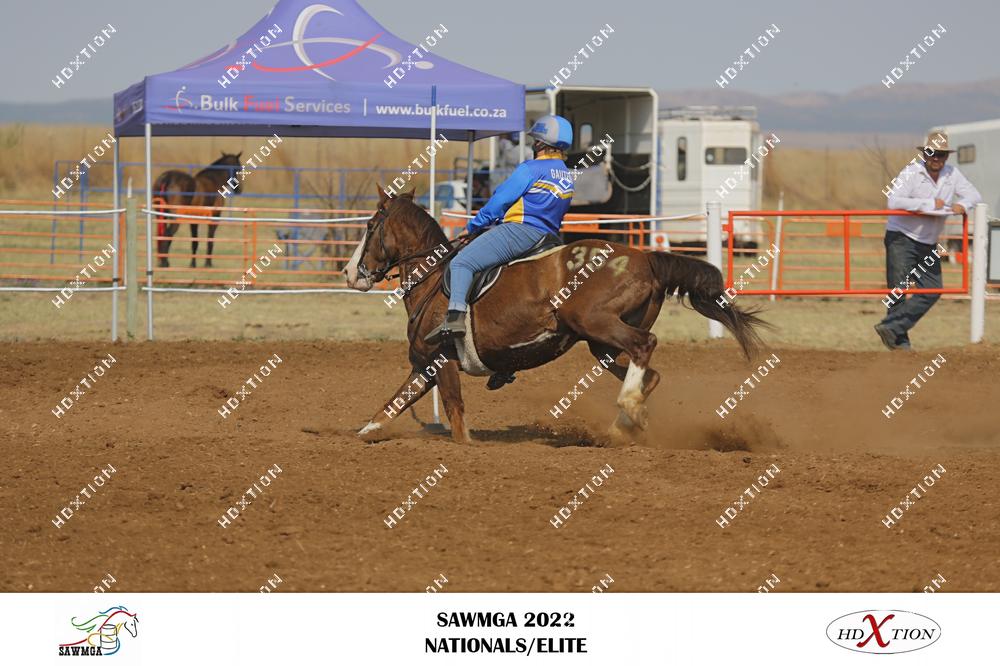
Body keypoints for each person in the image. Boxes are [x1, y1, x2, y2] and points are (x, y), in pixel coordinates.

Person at [424, 115, 575, 344]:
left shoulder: (531, 169)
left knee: (461, 262)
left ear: (540, 143)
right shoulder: (567, 175)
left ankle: (455, 317)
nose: (533, 145)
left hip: (520, 232)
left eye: (535, 141)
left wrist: (473, 226)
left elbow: (500, 201)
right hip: (550, 238)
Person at [874, 130, 981, 350]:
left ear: (947, 156)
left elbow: (974, 195)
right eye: (932, 153)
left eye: (941, 154)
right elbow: (893, 201)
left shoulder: (952, 174)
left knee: (932, 289)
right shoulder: (911, 172)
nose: (936, 158)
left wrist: (963, 205)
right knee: (898, 291)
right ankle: (900, 346)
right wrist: (929, 204)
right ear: (925, 154)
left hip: (928, 242)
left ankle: (891, 327)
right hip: (901, 237)